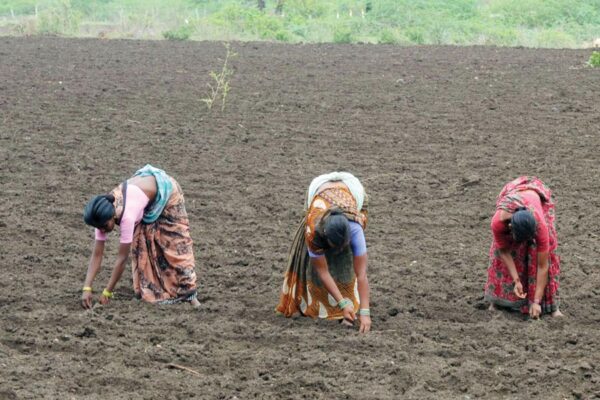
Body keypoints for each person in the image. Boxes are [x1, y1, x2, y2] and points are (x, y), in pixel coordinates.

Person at [81, 165, 199, 308]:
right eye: (99, 228)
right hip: (144, 198)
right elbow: (97, 254)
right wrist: (87, 288)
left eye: (105, 227)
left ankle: (190, 295)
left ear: (112, 216)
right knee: (142, 244)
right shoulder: (100, 216)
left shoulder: (127, 217)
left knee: (176, 244)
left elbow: (122, 258)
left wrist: (107, 293)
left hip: (167, 192)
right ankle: (155, 288)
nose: (102, 230)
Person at [276, 172, 372, 333]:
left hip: (351, 187)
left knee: (346, 261)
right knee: (316, 263)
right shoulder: (313, 229)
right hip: (318, 188)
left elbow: (361, 274)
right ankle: (313, 302)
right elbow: (322, 270)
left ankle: (351, 306)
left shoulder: (355, 227)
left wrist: (365, 312)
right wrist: (342, 303)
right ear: (325, 235)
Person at [484, 176, 562, 318]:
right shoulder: (498, 223)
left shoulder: (540, 225)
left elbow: (542, 266)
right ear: (509, 227)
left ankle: (550, 306)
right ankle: (497, 301)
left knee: (544, 252)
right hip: (514, 192)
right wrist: (516, 280)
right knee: (499, 253)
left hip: (536, 196)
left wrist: (537, 301)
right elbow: (504, 251)